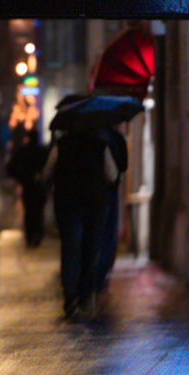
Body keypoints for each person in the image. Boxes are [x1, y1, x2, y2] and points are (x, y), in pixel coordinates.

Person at [44, 126, 121, 320]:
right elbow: (112, 175)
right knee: (91, 250)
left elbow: (48, 173)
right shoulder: (100, 145)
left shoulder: (60, 146)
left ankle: (70, 299)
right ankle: (86, 298)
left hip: (68, 205)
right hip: (96, 205)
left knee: (70, 250)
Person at [96, 125, 127, 296]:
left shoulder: (70, 140)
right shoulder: (115, 138)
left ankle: (84, 281)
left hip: (81, 196)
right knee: (107, 234)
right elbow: (121, 167)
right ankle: (102, 274)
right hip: (108, 193)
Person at [5, 127, 50, 247]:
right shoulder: (43, 152)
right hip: (39, 187)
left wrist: (20, 178)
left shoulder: (22, 152)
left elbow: (10, 167)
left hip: (27, 186)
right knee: (38, 212)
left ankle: (30, 236)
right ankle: (38, 234)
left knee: (29, 212)